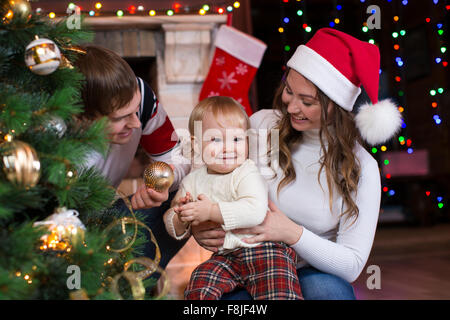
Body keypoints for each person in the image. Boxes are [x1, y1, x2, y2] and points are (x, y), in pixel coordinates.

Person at [191, 28, 402, 300]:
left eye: (307, 101)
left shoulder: (363, 168)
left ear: (336, 107)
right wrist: (202, 226)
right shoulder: (261, 126)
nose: (291, 107)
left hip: (310, 271)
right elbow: (210, 177)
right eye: (289, 91)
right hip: (245, 263)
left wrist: (291, 233)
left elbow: (352, 265)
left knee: (330, 293)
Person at [163, 96, 302, 300]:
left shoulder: (246, 172)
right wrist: (180, 217)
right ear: (196, 144)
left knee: (278, 291)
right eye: (216, 140)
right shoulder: (192, 181)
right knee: (198, 285)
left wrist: (210, 211)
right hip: (225, 257)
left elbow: (254, 210)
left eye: (237, 139)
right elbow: (172, 218)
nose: (228, 148)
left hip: (262, 250)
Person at [75, 45, 191, 270]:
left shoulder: (141, 98)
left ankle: (133, 284)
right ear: (82, 117)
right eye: (122, 117)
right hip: (65, 228)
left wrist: (159, 184)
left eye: (135, 110)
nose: (137, 123)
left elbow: (178, 157)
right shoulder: (51, 134)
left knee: (185, 194)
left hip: (110, 216)